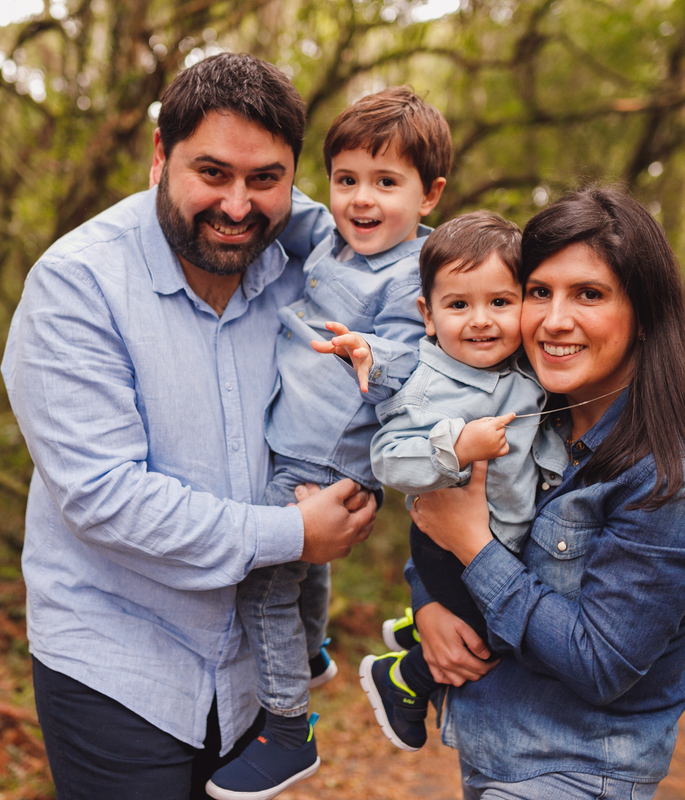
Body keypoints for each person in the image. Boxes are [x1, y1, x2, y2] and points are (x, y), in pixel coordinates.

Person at [0, 53, 377, 800]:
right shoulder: (77, 284)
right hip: (117, 661)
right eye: (211, 173)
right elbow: (105, 496)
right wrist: (296, 537)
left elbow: (416, 264)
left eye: (265, 179)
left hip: (253, 672)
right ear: (158, 158)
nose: (238, 206)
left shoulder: (306, 266)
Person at [407, 186, 685, 799]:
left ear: (644, 313)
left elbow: (601, 662)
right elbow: (444, 516)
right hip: (495, 756)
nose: (554, 319)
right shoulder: (527, 418)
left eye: (588, 294)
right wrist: (427, 601)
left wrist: (473, 551)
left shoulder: (680, 476)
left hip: (575, 774)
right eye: (539, 292)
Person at [207, 86, 452, 800]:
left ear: (429, 195)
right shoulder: (331, 238)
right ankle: (310, 652)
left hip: (333, 454)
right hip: (297, 440)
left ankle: (288, 730)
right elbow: (289, 206)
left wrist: (368, 350)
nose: (361, 200)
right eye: (347, 180)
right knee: (304, 567)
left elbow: (418, 364)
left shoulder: (418, 274)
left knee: (263, 578)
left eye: (386, 183)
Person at [354, 211, 567, 753]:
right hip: (447, 547)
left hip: (504, 542)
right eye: (458, 305)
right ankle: (406, 675)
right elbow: (388, 460)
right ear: (428, 314)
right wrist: (456, 446)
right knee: (499, 636)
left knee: (507, 614)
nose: (481, 320)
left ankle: (412, 625)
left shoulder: (527, 372)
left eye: (500, 302)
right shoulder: (428, 386)